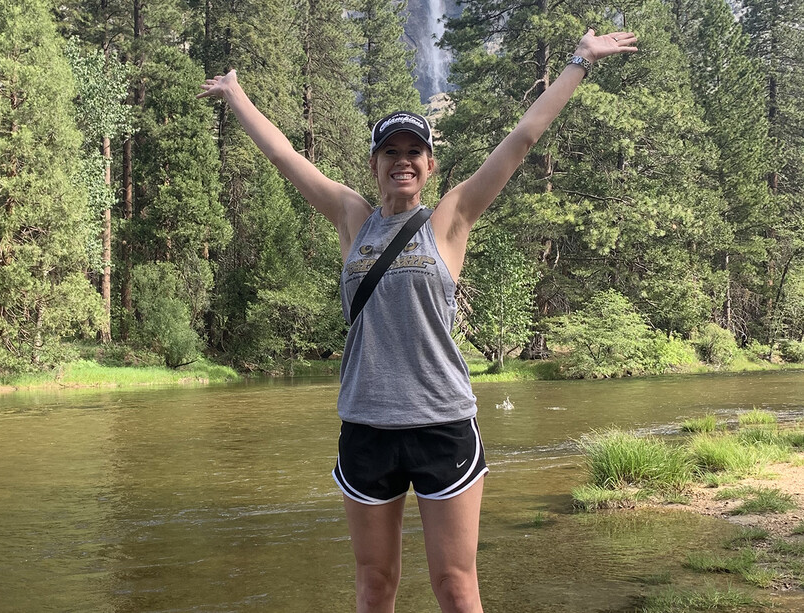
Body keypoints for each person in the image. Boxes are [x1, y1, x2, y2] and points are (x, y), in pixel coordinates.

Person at [199, 29, 638, 613]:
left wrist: (579, 61)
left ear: (429, 164)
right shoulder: (350, 216)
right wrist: (236, 95)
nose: (401, 161)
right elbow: (285, 156)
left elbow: (523, 139)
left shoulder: (451, 218)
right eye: (390, 152)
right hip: (366, 424)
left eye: (413, 152)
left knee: (455, 586)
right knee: (374, 584)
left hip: (442, 422)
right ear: (375, 163)